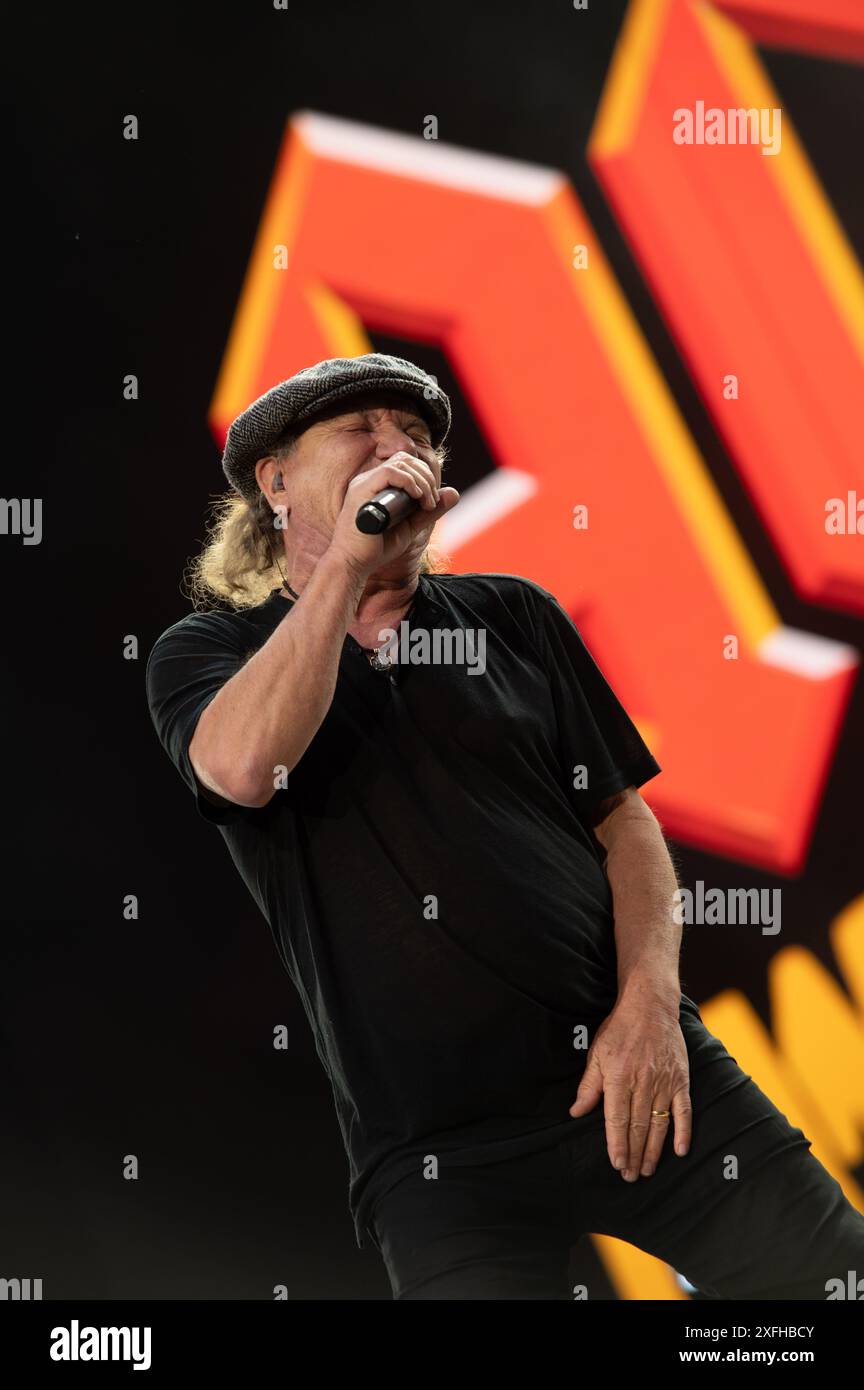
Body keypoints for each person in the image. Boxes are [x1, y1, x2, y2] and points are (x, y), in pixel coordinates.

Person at [146, 352, 864, 1300]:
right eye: (362, 428)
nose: (397, 451)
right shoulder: (210, 653)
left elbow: (625, 824)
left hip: (637, 1070)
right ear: (276, 479)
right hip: (439, 1155)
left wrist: (650, 1006)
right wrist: (348, 565)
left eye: (417, 438)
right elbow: (242, 770)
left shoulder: (513, 617)